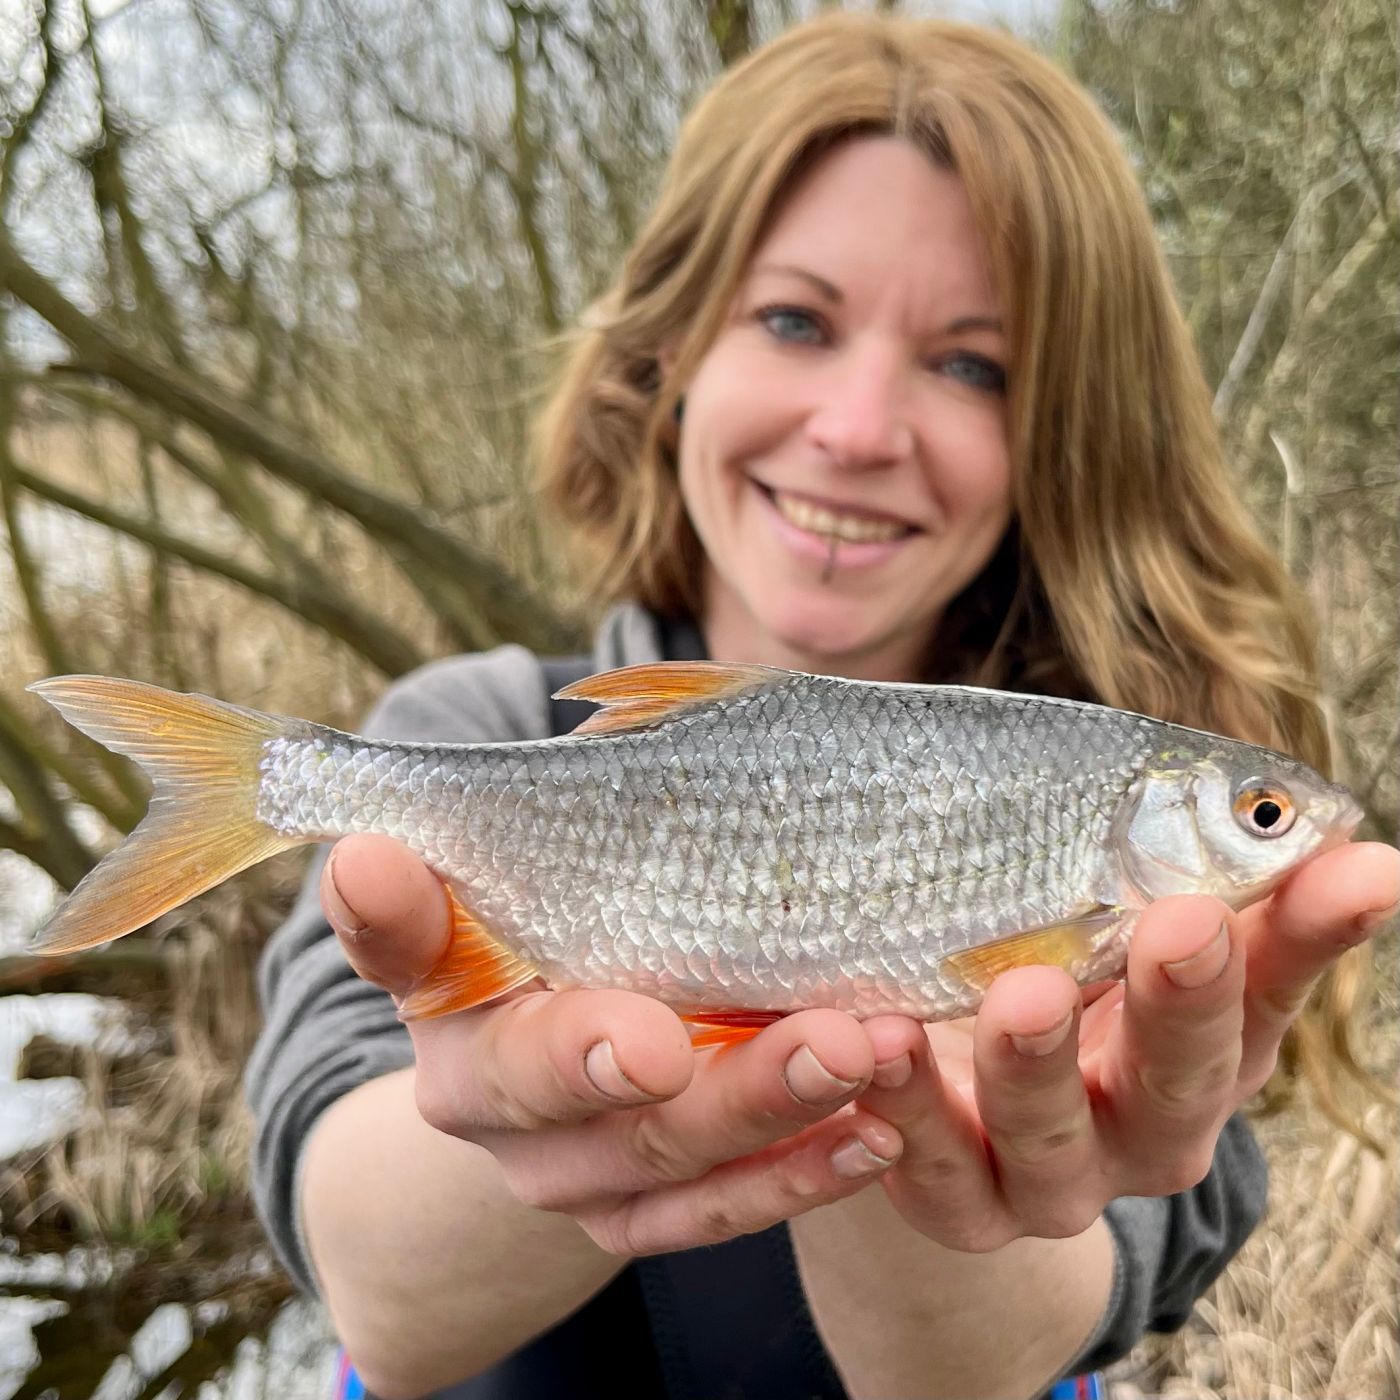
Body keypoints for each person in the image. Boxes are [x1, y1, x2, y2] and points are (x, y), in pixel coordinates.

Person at [245, 14, 1400, 1400]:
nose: (856, 429)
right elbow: (378, 1302)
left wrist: (905, 1119)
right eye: (795, 320)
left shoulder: (1162, 896)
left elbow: (1002, 1352)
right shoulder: (470, 724)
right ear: (669, 354)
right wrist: (544, 1106)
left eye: (972, 364)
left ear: (1062, 436)